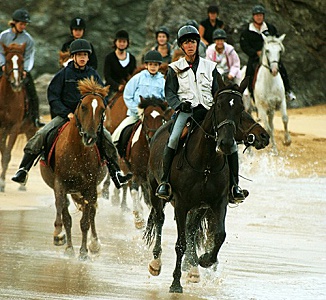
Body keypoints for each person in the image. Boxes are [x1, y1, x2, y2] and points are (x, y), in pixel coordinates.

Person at [11, 39, 132, 189]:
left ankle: (116, 174)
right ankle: (23, 170)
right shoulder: (64, 74)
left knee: (107, 138)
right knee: (41, 135)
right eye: (79, 55)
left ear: (88, 58)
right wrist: (65, 112)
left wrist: (96, 112)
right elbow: (53, 96)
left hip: (88, 119)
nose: (82, 58)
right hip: (66, 116)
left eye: (85, 55)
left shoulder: (93, 74)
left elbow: (103, 97)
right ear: (73, 57)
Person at [155, 25, 247, 202]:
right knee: (174, 138)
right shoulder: (174, 68)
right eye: (186, 43)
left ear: (198, 44)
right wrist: (179, 105)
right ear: (182, 46)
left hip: (207, 111)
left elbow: (217, 90)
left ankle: (235, 185)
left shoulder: (210, 66)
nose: (190, 45)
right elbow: (170, 93)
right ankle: (165, 182)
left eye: (193, 42)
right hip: (186, 112)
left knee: (231, 142)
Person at [240, 4, 296, 101]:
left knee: (282, 69)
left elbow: (277, 41)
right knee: (249, 71)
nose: (259, 17)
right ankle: (250, 93)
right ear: (253, 16)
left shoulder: (271, 28)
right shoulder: (247, 32)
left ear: (263, 16)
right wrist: (255, 53)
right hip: (255, 58)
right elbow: (244, 46)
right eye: (257, 15)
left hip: (270, 57)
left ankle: (288, 91)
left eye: (261, 15)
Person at [0, 8, 44, 127]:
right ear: (14, 23)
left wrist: (25, 70)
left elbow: (30, 56)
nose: (23, 26)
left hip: (20, 69)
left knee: (32, 92)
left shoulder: (28, 39)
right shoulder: (3, 36)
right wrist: (2, 64)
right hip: (5, 66)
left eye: (25, 24)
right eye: (21, 24)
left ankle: (35, 118)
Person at [112, 50, 165, 144]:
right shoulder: (138, 78)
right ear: (146, 65)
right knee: (119, 131)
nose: (153, 67)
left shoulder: (162, 81)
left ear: (159, 66)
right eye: (151, 64)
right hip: (137, 114)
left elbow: (165, 99)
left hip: (154, 116)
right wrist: (137, 110)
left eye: (155, 65)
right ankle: (115, 147)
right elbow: (127, 95)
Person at [103, 30, 137, 96]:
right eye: (120, 41)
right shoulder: (109, 57)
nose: (122, 44)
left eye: (124, 41)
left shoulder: (132, 58)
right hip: (111, 89)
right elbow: (107, 76)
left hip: (127, 89)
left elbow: (134, 75)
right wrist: (117, 86)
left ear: (127, 43)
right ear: (115, 42)